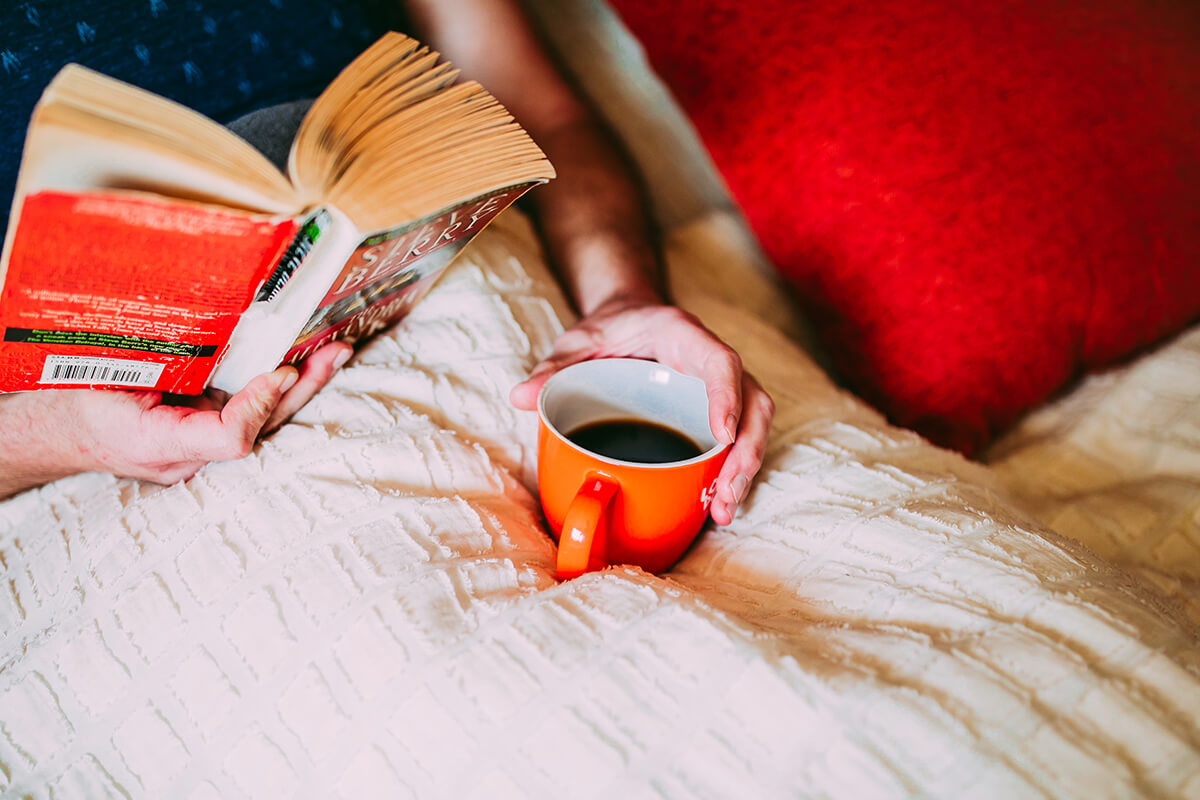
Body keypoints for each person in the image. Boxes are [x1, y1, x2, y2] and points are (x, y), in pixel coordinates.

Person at [0, 0, 774, 526]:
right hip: (118, 466)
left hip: (520, 328)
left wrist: (623, 298)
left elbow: (546, 117)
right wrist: (59, 436)